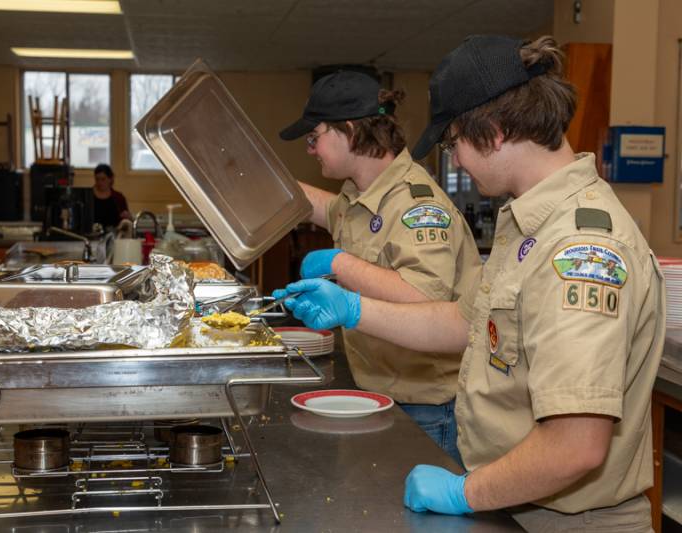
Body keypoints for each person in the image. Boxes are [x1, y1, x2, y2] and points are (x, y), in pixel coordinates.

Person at [273, 35, 665, 531]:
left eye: (454, 141)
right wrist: (353, 309)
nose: (454, 160)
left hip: (567, 519)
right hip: (513, 498)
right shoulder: (528, 222)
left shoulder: (580, 248)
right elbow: (465, 320)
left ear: (495, 132)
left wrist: (465, 492)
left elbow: (575, 444)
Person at [278, 70, 481, 464]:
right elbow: (325, 208)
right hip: (382, 391)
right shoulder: (361, 192)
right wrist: (267, 183)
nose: (310, 149)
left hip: (424, 408)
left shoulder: (417, 205)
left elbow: (426, 297)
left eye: (314, 137)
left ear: (350, 132)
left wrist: (342, 264)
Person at [92, 163, 131, 229]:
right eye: (97, 179)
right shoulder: (89, 197)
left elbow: (126, 221)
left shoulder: (119, 198)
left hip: (115, 235)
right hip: (92, 235)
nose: (100, 183)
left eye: (103, 179)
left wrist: (127, 217)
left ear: (110, 179)